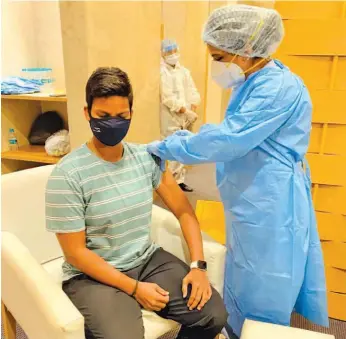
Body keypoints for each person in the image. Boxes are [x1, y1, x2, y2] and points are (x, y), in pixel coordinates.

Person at [148, 5, 328, 338]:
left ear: (245, 51)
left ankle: (260, 332)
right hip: (253, 199)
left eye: (218, 57)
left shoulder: (276, 88)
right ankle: (239, 330)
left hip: (271, 204)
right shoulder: (254, 80)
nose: (216, 65)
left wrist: (168, 146)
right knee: (244, 276)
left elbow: (230, 139)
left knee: (265, 285)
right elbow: (234, 130)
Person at [45, 67, 227, 339]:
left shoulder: (146, 158)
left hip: (146, 260)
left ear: (131, 114)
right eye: (103, 116)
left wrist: (198, 266)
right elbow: (76, 254)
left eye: (121, 116)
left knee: (213, 315)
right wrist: (133, 288)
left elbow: (184, 211)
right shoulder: (68, 174)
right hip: (91, 275)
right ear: (87, 113)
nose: (113, 123)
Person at [160, 39, 201, 192]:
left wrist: (193, 106)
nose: (172, 55)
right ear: (163, 54)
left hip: (187, 116)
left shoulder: (184, 71)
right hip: (171, 117)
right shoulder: (162, 72)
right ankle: (170, 183)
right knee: (172, 149)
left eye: (174, 51)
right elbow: (168, 98)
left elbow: (192, 90)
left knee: (183, 147)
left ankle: (180, 181)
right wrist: (185, 110)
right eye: (168, 52)